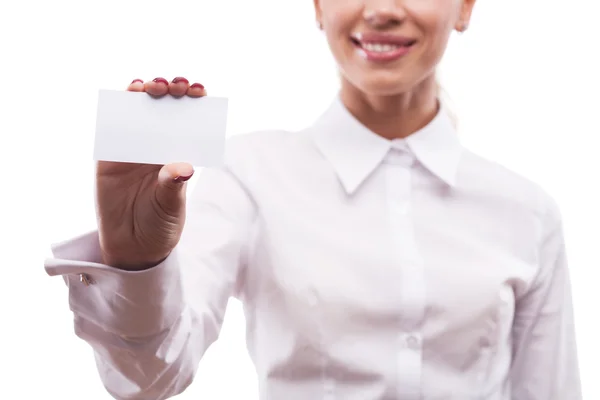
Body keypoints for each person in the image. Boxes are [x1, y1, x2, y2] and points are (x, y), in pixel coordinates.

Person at [44, 0, 582, 399]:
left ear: (465, 8)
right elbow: (150, 378)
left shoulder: (527, 211)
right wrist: (138, 263)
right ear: (319, 6)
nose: (381, 10)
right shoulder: (248, 174)